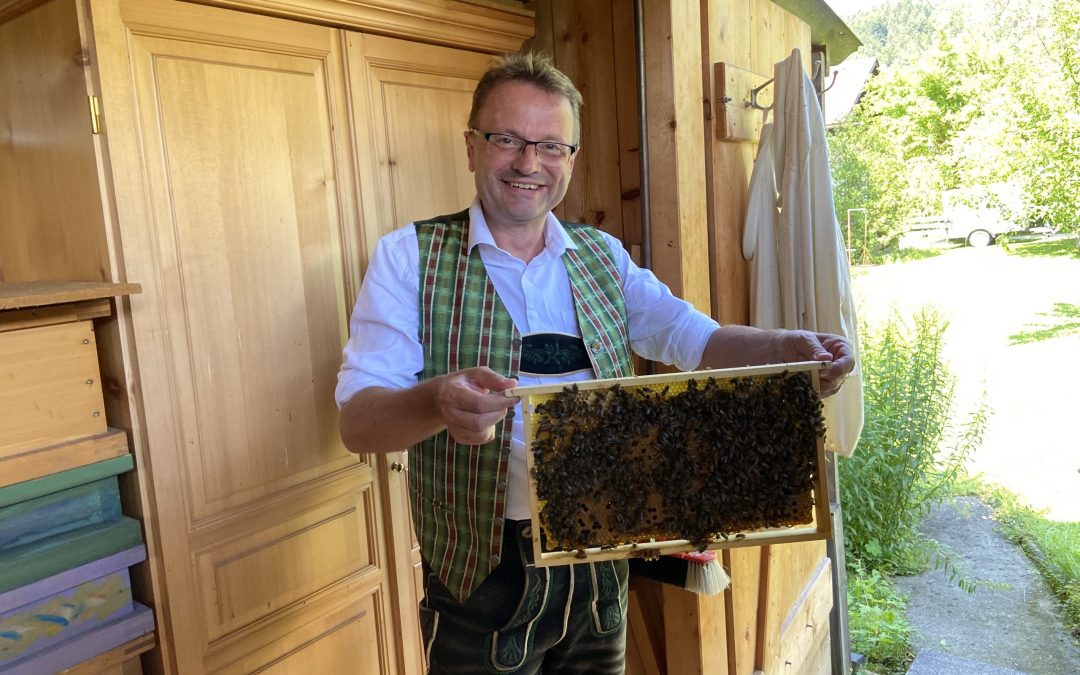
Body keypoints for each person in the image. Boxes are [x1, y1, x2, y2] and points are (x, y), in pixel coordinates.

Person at [336, 51, 855, 675]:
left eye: (551, 146)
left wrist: (783, 351)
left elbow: (693, 338)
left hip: (603, 554)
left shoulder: (602, 255)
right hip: (483, 575)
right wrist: (435, 400)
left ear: (571, 160)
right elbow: (358, 424)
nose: (529, 163)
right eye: (508, 139)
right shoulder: (406, 258)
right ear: (472, 146)